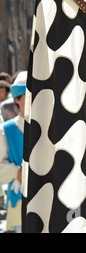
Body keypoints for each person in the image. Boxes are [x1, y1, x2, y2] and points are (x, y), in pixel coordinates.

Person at [0, 71, 27, 232]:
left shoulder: (50, 130)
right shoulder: (6, 130)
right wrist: (17, 173)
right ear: (17, 99)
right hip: (19, 199)